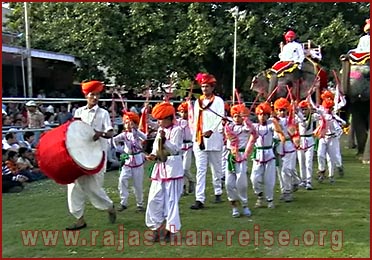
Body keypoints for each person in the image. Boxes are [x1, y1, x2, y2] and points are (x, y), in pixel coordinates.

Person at [66, 80, 116, 230]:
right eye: (92, 95)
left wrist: (101, 134)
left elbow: (110, 132)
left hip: (97, 154)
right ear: (86, 96)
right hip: (80, 153)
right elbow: (73, 129)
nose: (95, 98)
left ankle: (109, 206)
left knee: (94, 187)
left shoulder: (103, 113)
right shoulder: (79, 112)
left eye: (97, 95)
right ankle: (79, 219)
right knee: (73, 185)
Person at [145, 102, 184, 243]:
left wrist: (164, 140)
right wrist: (152, 155)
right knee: (154, 198)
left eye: (161, 119)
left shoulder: (177, 130)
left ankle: (171, 230)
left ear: (169, 118)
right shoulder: (160, 131)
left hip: (173, 168)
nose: (159, 122)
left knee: (172, 201)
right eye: (157, 120)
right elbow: (156, 148)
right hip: (159, 169)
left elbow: (175, 148)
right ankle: (155, 227)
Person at [190, 73, 224, 210]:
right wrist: (196, 135)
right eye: (203, 86)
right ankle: (199, 199)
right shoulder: (197, 102)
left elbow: (220, 118)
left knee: (216, 169)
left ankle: (218, 191)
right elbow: (195, 120)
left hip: (214, 138)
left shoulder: (218, 101)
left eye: (207, 86)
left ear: (212, 87)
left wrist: (212, 130)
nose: (204, 89)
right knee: (201, 170)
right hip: (200, 139)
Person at [246, 102, 285, 209]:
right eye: (260, 114)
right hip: (258, 155)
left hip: (269, 155)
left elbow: (277, 130)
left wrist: (276, 123)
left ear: (267, 115)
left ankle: (270, 199)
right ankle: (259, 195)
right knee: (254, 178)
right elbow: (246, 126)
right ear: (257, 115)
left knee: (269, 179)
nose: (262, 117)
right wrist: (244, 117)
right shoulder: (254, 126)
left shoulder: (270, 125)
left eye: (264, 115)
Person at [112, 111, 147, 212]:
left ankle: (140, 204)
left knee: (138, 184)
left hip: (137, 160)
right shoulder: (124, 134)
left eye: (131, 122)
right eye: (126, 122)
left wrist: (136, 130)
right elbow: (114, 140)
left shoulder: (137, 133)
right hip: (127, 160)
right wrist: (118, 148)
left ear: (135, 123)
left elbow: (145, 137)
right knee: (122, 180)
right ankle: (123, 203)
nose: (128, 125)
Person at [224, 104, 253, 217]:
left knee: (242, 184)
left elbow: (250, 129)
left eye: (239, 116)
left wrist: (246, 118)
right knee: (228, 184)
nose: (237, 118)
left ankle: (245, 205)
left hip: (241, 156)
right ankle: (234, 206)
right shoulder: (228, 127)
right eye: (235, 116)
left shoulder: (246, 127)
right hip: (230, 156)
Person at [273, 98, 301, 203]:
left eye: (284, 110)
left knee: (287, 169)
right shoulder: (273, 120)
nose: (282, 112)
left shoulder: (292, 119)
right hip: (277, 146)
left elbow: (302, 120)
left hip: (289, 146)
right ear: (276, 110)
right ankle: (284, 190)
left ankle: (288, 190)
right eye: (279, 110)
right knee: (280, 171)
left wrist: (296, 110)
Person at [176, 101, 195, 195]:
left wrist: (190, 105)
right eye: (182, 112)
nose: (184, 114)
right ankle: (183, 188)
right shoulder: (177, 122)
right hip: (180, 146)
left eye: (186, 112)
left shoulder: (192, 121)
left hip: (188, 146)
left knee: (185, 168)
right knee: (180, 168)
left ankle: (192, 180)